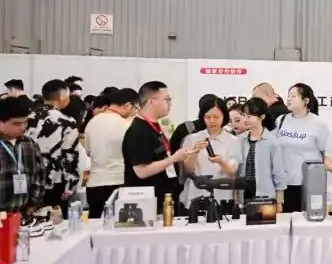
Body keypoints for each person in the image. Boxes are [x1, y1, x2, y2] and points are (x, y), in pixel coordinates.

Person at [122, 81, 192, 211]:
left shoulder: (153, 126)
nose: (170, 104)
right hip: (145, 203)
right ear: (151, 102)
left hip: (161, 199)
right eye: (167, 99)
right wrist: (174, 159)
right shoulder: (138, 131)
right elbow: (142, 172)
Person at [26, 79, 81, 215]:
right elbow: (69, 155)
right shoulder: (68, 122)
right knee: (54, 220)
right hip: (54, 179)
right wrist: (70, 185)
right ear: (62, 97)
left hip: (27, 178)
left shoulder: (27, 118)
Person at [274, 83, 329, 212]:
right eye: (288, 96)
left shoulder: (319, 124)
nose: (288, 99)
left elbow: (327, 155)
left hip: (309, 183)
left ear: (306, 100)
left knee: (308, 220)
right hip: (284, 184)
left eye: (293, 96)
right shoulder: (281, 120)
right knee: (285, 220)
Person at [84, 88, 136, 218]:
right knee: (119, 224)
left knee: (95, 223)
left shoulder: (91, 122)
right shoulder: (127, 125)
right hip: (118, 182)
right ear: (128, 105)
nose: (134, 112)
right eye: (135, 108)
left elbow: (88, 152)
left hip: (94, 183)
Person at [180, 97, 240, 210]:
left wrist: (221, 162)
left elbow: (232, 171)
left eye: (216, 117)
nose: (212, 121)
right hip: (197, 196)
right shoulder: (192, 139)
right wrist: (194, 152)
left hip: (223, 197)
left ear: (224, 116)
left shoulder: (234, 141)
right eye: (208, 117)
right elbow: (187, 170)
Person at [0, 96, 45, 220]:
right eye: (17, 123)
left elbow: (40, 175)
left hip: (24, 214)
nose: (23, 127)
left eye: (25, 122)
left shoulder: (29, 143)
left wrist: (33, 203)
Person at [236, 98, 286, 210]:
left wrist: (279, 201)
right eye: (244, 115)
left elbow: (279, 173)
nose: (246, 119)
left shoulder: (273, 142)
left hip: (265, 195)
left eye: (250, 116)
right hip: (243, 195)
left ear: (262, 117)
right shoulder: (240, 140)